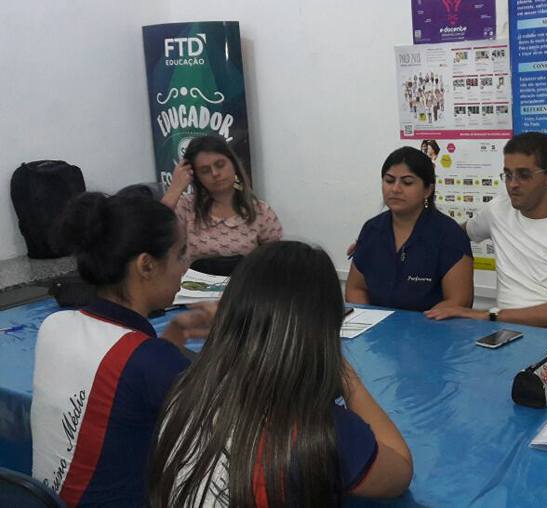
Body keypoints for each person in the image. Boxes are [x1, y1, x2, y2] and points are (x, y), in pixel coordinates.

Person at [150, 242, 413, 506]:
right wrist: (348, 377)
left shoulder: (185, 391)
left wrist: (233, 328)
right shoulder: (320, 431)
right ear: (327, 330)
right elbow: (400, 471)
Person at [31, 192, 213, 506]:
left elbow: (129, 387)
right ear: (147, 265)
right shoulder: (151, 363)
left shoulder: (54, 326)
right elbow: (233, 420)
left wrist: (171, 338)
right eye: (181, 254)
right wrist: (233, 336)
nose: (185, 268)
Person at [425, 132, 547, 331]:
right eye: (508, 175)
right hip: (509, 333)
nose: (513, 184)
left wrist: (487, 315)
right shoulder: (497, 210)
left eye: (524, 175)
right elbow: (454, 235)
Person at [346, 147, 473, 312]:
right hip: (375, 326)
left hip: (429, 326)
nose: (395, 189)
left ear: (428, 190)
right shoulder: (372, 230)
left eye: (407, 183)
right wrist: (368, 318)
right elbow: (355, 289)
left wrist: (412, 325)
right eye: (389, 181)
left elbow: (458, 301)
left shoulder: (449, 235)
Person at [161, 135, 282, 263]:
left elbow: (275, 262)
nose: (215, 173)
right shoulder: (186, 206)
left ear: (233, 164)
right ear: (196, 176)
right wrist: (175, 188)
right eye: (205, 170)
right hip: (193, 276)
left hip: (245, 276)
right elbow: (154, 233)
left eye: (220, 165)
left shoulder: (261, 211)